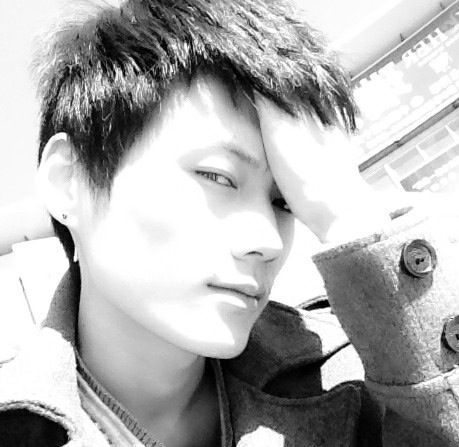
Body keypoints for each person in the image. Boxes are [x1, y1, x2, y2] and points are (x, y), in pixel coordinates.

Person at [1, 0, 459, 446]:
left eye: (285, 203)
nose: (267, 241)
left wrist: (348, 217)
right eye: (217, 176)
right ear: (68, 180)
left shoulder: (356, 381)